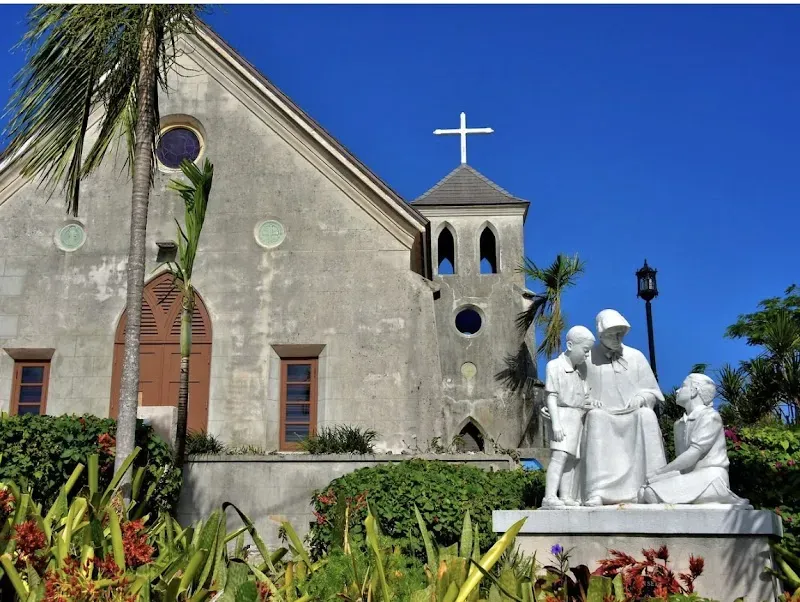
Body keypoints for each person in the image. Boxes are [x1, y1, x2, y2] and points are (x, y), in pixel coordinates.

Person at [580, 309, 667, 506]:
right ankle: (597, 490)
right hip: (604, 416)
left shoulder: (635, 356)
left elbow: (652, 391)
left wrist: (642, 397)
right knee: (595, 418)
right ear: (600, 335)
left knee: (646, 416)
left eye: (620, 333)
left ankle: (654, 486)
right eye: (612, 334)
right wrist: (589, 402)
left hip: (632, 414)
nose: (617, 338)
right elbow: (578, 389)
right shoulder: (588, 358)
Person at [638, 373, 750, 505]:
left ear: (694, 391)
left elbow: (693, 454)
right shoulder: (678, 424)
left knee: (651, 493)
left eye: (683, 386)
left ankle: (720, 495)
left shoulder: (710, 416)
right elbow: (681, 465)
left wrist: (659, 473)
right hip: (688, 478)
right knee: (642, 493)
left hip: (711, 478)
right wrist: (660, 477)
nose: (678, 390)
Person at [541, 325, 597, 508]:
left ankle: (565, 496)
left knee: (572, 460)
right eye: (585, 350)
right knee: (559, 457)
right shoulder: (555, 366)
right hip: (562, 417)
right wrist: (556, 424)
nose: (586, 355)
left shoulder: (580, 373)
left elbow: (582, 398)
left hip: (576, 419)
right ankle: (549, 496)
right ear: (571, 345)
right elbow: (552, 396)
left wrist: (590, 405)